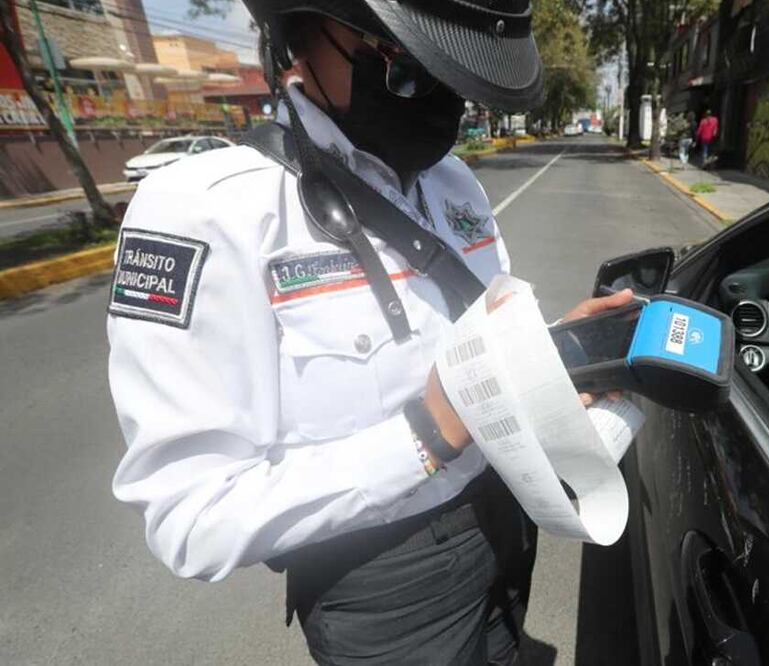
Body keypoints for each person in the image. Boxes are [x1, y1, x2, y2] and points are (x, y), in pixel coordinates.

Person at [106, 1, 634, 664]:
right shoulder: (207, 212)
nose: (438, 99)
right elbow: (191, 516)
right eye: (409, 69)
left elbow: (472, 355)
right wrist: (423, 437)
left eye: (458, 79)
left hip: (508, 518)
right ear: (300, 32)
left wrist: (553, 351)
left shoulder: (455, 185)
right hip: (387, 590)